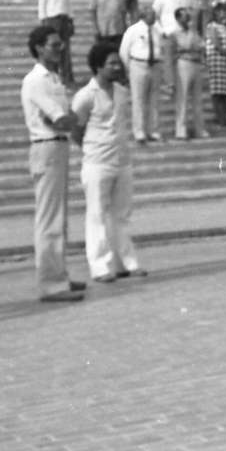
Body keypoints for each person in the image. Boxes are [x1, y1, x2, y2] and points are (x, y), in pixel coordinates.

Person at [70, 42, 147, 283]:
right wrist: (92, 149)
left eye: (118, 62)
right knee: (97, 214)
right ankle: (100, 266)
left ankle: (126, 262)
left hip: (122, 160)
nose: (117, 67)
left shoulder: (122, 92)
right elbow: (76, 130)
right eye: (111, 63)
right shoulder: (85, 96)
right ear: (97, 67)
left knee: (122, 214)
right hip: (97, 162)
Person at [23, 25, 87, 302]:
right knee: (49, 218)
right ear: (39, 47)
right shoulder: (36, 80)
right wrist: (70, 120)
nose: (59, 50)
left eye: (60, 45)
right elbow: (60, 119)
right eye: (53, 45)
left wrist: (68, 119)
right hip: (46, 147)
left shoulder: (54, 79)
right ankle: (50, 284)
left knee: (58, 218)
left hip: (58, 147)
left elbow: (65, 118)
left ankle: (58, 274)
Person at [118, 6, 164, 143]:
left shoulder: (157, 30)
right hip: (138, 65)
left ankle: (153, 130)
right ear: (144, 15)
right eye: (151, 15)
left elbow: (160, 47)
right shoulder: (133, 30)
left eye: (155, 15)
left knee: (154, 100)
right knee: (138, 99)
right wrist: (128, 68)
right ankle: (139, 131)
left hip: (155, 65)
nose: (154, 17)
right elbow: (124, 50)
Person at [37, 0, 75, 86]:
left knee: (66, 50)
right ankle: (53, 78)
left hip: (64, 20)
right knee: (53, 50)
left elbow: (69, 7)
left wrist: (71, 21)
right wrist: (44, 26)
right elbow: (42, 8)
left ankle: (68, 79)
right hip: (51, 21)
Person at [173, 10, 207, 140]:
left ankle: (200, 129)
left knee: (198, 99)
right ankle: (181, 130)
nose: (187, 18)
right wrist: (190, 48)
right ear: (178, 18)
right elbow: (183, 47)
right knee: (183, 97)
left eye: (188, 16)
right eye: (184, 16)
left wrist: (192, 48)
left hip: (196, 62)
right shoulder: (175, 33)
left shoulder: (193, 32)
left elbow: (202, 45)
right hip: (183, 63)